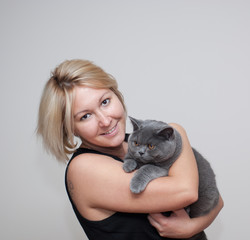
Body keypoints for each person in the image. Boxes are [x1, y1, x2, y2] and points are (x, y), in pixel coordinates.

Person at [37, 59, 223, 240]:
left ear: (116, 94)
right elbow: (186, 192)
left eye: (105, 102)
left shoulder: (136, 142)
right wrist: (178, 129)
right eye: (85, 116)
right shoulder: (83, 168)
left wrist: (192, 227)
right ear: (70, 128)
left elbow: (215, 199)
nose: (105, 120)